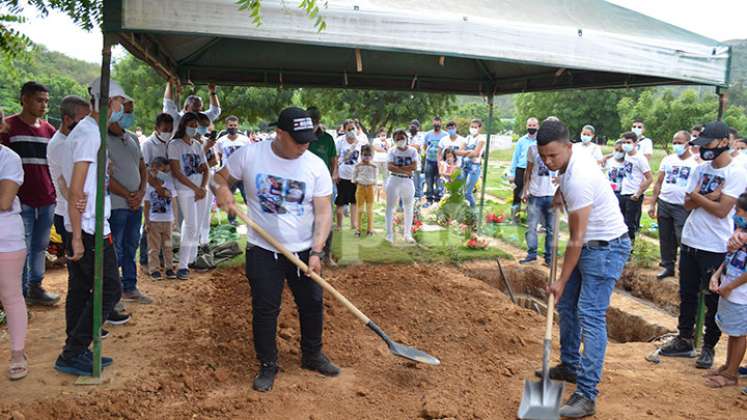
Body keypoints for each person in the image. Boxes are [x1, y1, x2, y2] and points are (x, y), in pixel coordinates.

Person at [212, 106, 338, 392]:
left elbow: (323, 212)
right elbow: (219, 178)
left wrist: (317, 251)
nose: (304, 145)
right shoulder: (250, 155)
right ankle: (268, 364)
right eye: (298, 139)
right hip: (262, 250)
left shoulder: (315, 165)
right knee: (266, 308)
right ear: (279, 134)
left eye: (308, 139)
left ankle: (312, 355)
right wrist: (222, 191)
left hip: (304, 250)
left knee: (312, 304)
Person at [535, 119, 631, 418]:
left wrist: (561, 279)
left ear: (569, 147)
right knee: (566, 306)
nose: (549, 162)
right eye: (543, 156)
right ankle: (570, 365)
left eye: (554, 156)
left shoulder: (579, 177)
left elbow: (576, 239)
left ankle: (587, 395)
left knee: (590, 314)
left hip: (605, 248)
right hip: (589, 244)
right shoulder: (569, 168)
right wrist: (559, 191)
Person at [659, 121, 747, 370]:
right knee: (686, 294)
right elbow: (686, 205)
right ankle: (684, 338)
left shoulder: (737, 172)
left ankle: (708, 347)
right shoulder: (700, 169)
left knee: (712, 299)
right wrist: (705, 197)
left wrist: (698, 197)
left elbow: (721, 211)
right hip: (691, 240)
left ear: (723, 143)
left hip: (716, 245)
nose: (703, 150)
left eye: (706, 144)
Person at [55, 78, 127, 376]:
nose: (122, 108)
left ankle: (76, 348)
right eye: (120, 102)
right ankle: (73, 352)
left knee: (85, 288)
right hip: (88, 227)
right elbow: (75, 187)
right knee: (110, 288)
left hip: (88, 223)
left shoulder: (88, 131)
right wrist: (76, 238)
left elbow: (79, 186)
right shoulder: (89, 135)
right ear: (108, 102)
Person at [0, 81, 59, 306]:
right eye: (39, 100)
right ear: (24, 99)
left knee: (40, 246)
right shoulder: (9, 127)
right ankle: (19, 295)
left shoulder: (48, 130)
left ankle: (36, 287)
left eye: (46, 101)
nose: (44, 105)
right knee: (20, 248)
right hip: (19, 200)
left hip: (46, 198)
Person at [108, 99, 151, 304]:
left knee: (131, 246)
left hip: (135, 203)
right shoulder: (102, 140)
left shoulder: (132, 137)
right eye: (126, 112)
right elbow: (104, 177)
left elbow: (142, 167)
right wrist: (128, 195)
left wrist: (141, 191)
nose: (130, 117)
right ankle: (112, 292)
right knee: (114, 250)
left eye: (131, 112)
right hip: (117, 205)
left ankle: (130, 287)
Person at [704, 192, 747, 388]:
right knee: (733, 331)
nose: (735, 214)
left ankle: (731, 375)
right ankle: (729, 367)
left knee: (739, 334)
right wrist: (717, 276)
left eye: (738, 211)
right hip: (730, 288)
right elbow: (729, 258)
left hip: (740, 293)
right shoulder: (740, 235)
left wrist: (730, 286)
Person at [0, 110, 29, 380]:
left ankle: (18, 352)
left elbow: (4, 201)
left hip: (5, 238)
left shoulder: (9, 158)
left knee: (10, 296)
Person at [648, 131, 698, 279]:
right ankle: (668, 265)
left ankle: (685, 269)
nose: (676, 145)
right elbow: (658, 182)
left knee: (682, 237)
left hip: (682, 206)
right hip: (664, 202)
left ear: (688, 144)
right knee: (665, 237)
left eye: (680, 142)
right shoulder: (668, 159)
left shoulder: (695, 163)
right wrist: (652, 203)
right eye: (674, 142)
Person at [48, 96, 90, 266]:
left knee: (83, 270)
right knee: (80, 272)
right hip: (68, 212)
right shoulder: (61, 144)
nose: (86, 125)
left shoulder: (73, 141)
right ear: (67, 119)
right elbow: (64, 184)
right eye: (82, 119)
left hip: (75, 210)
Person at [168, 112, 209, 280]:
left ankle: (191, 258)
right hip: (185, 189)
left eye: (195, 125)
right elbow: (177, 172)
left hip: (199, 189)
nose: (193, 128)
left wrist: (203, 187)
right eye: (191, 125)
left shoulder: (198, 145)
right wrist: (196, 188)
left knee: (197, 226)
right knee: (190, 224)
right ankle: (182, 265)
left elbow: (205, 168)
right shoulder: (175, 144)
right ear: (183, 125)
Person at [139, 113, 175, 270]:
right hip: (152, 189)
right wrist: (158, 188)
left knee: (163, 226)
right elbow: (145, 169)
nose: (168, 132)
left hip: (165, 190)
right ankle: (145, 261)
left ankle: (160, 259)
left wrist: (165, 188)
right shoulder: (148, 144)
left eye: (170, 129)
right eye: (165, 129)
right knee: (150, 226)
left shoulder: (170, 143)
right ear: (157, 128)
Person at [307, 107, 338, 267]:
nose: (312, 124)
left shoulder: (327, 139)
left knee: (326, 219)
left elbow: (333, 160)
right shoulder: (301, 136)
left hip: (324, 185)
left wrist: (333, 176)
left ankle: (326, 256)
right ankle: (307, 253)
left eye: (314, 122)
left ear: (318, 122)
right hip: (305, 184)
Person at [520, 142, 558, 265]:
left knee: (551, 229)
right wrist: (525, 190)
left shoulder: (560, 148)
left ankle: (549, 258)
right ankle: (531, 254)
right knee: (532, 226)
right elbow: (528, 171)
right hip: (535, 193)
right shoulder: (532, 148)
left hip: (552, 194)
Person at [143, 157, 176, 280]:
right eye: (154, 168)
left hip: (167, 221)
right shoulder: (148, 186)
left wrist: (175, 219)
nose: (156, 171)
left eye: (160, 168)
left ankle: (169, 268)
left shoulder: (170, 184)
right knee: (154, 248)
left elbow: (173, 202)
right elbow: (146, 205)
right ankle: (154, 270)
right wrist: (147, 221)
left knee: (168, 246)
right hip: (154, 221)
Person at [618, 132, 653, 245]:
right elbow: (614, 152)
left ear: (635, 143)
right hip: (624, 192)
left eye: (628, 142)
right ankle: (622, 247)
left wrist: (638, 193)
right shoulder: (627, 155)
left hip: (633, 195)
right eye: (624, 142)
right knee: (621, 222)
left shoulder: (640, 159)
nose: (625, 145)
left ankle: (629, 249)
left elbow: (649, 178)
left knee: (630, 224)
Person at [385, 129, 418, 244]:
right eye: (397, 138)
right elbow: (390, 166)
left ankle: (407, 234)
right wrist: (404, 170)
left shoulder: (413, 151)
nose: (400, 140)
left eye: (402, 137)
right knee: (390, 208)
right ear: (394, 140)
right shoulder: (391, 151)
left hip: (408, 181)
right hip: (394, 179)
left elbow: (414, 166)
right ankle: (389, 235)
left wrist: (398, 168)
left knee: (409, 208)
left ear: (406, 138)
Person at [216, 115, 250, 225]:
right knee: (229, 199)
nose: (233, 127)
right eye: (230, 125)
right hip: (228, 175)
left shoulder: (244, 140)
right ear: (226, 126)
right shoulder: (221, 141)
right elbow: (220, 156)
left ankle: (253, 218)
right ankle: (232, 220)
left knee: (248, 197)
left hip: (243, 173)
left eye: (235, 125)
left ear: (238, 126)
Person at [509, 117, 539, 223]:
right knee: (517, 193)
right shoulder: (521, 141)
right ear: (526, 126)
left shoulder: (540, 141)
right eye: (530, 125)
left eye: (534, 125)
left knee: (533, 194)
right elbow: (515, 157)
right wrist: (511, 173)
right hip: (520, 169)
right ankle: (514, 217)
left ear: (537, 126)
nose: (531, 127)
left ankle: (530, 218)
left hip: (534, 170)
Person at [334, 119, 361, 231]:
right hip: (342, 175)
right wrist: (335, 172)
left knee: (354, 201)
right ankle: (339, 225)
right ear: (344, 130)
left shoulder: (361, 141)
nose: (351, 131)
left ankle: (353, 224)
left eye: (353, 128)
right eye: (348, 129)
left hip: (356, 177)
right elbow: (335, 158)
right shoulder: (340, 141)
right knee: (341, 201)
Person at [456, 118, 486, 208]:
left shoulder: (481, 139)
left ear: (479, 128)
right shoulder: (468, 138)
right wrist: (469, 153)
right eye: (472, 126)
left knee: (468, 192)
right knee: (460, 190)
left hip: (474, 167)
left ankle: (474, 212)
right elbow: (458, 151)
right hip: (464, 166)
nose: (473, 128)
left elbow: (476, 154)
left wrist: (465, 152)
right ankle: (464, 210)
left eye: (475, 127)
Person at [352, 145, 377, 237]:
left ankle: (370, 230)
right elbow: (354, 178)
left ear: (372, 156)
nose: (367, 157)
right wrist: (358, 183)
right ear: (361, 155)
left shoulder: (374, 166)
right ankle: (358, 230)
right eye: (364, 155)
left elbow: (375, 178)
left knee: (370, 210)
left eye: (369, 155)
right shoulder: (357, 166)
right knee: (360, 210)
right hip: (360, 188)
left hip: (370, 188)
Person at [422, 117, 447, 207]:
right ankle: (429, 199)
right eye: (435, 123)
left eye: (438, 123)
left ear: (441, 123)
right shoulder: (428, 134)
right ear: (432, 123)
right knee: (429, 180)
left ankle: (438, 199)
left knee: (439, 180)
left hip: (440, 162)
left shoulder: (445, 135)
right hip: (429, 161)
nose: (436, 124)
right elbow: (425, 146)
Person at [603, 140, 626, 206]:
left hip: (621, 193)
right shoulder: (608, 161)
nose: (618, 152)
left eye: (621, 151)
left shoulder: (627, 163)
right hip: (609, 192)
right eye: (616, 150)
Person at [408, 119, 427, 202]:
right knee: (408, 183)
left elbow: (417, 147)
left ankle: (417, 202)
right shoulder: (407, 135)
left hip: (416, 163)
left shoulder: (421, 136)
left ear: (418, 128)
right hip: (407, 164)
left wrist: (408, 146)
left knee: (417, 184)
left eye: (414, 126)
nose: (412, 127)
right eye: (411, 125)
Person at [371, 128, 390, 200]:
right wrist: (385, 150)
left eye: (384, 134)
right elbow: (376, 148)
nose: (383, 136)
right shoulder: (375, 140)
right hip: (377, 160)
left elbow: (389, 148)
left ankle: (385, 192)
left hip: (385, 160)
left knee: (386, 177)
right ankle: (374, 193)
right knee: (375, 176)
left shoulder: (388, 141)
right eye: (382, 134)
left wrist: (385, 142)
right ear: (379, 134)